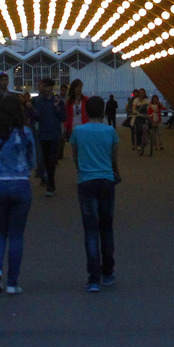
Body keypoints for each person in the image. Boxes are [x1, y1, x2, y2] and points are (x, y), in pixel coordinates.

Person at [0, 92, 36, 295]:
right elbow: (33, 163)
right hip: (20, 185)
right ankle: (12, 282)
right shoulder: (26, 133)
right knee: (16, 235)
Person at [70, 95, 121, 292]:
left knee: (90, 230)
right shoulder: (110, 131)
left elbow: (75, 156)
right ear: (102, 112)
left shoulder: (78, 131)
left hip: (86, 181)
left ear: (86, 111)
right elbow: (113, 157)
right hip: (106, 181)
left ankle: (93, 278)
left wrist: (82, 169)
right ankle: (108, 272)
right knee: (106, 227)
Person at [30, 78, 64, 196]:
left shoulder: (58, 101)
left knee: (51, 159)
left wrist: (57, 108)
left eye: (45, 86)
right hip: (42, 134)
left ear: (51, 87)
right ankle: (48, 180)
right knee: (44, 158)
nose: (43, 88)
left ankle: (50, 182)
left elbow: (63, 117)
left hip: (54, 134)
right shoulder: (37, 101)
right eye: (41, 85)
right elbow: (34, 117)